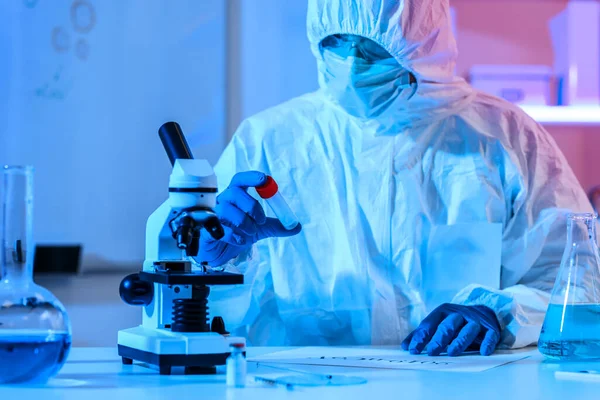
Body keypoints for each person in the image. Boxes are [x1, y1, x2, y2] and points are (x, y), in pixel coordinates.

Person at [198, 0, 593, 356]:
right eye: (338, 41)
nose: (352, 64)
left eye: (372, 48)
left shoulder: (503, 136)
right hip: (307, 386)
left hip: (463, 385)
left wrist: (501, 312)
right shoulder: (269, 140)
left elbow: (577, 276)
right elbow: (204, 310)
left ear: (423, 46)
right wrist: (222, 261)